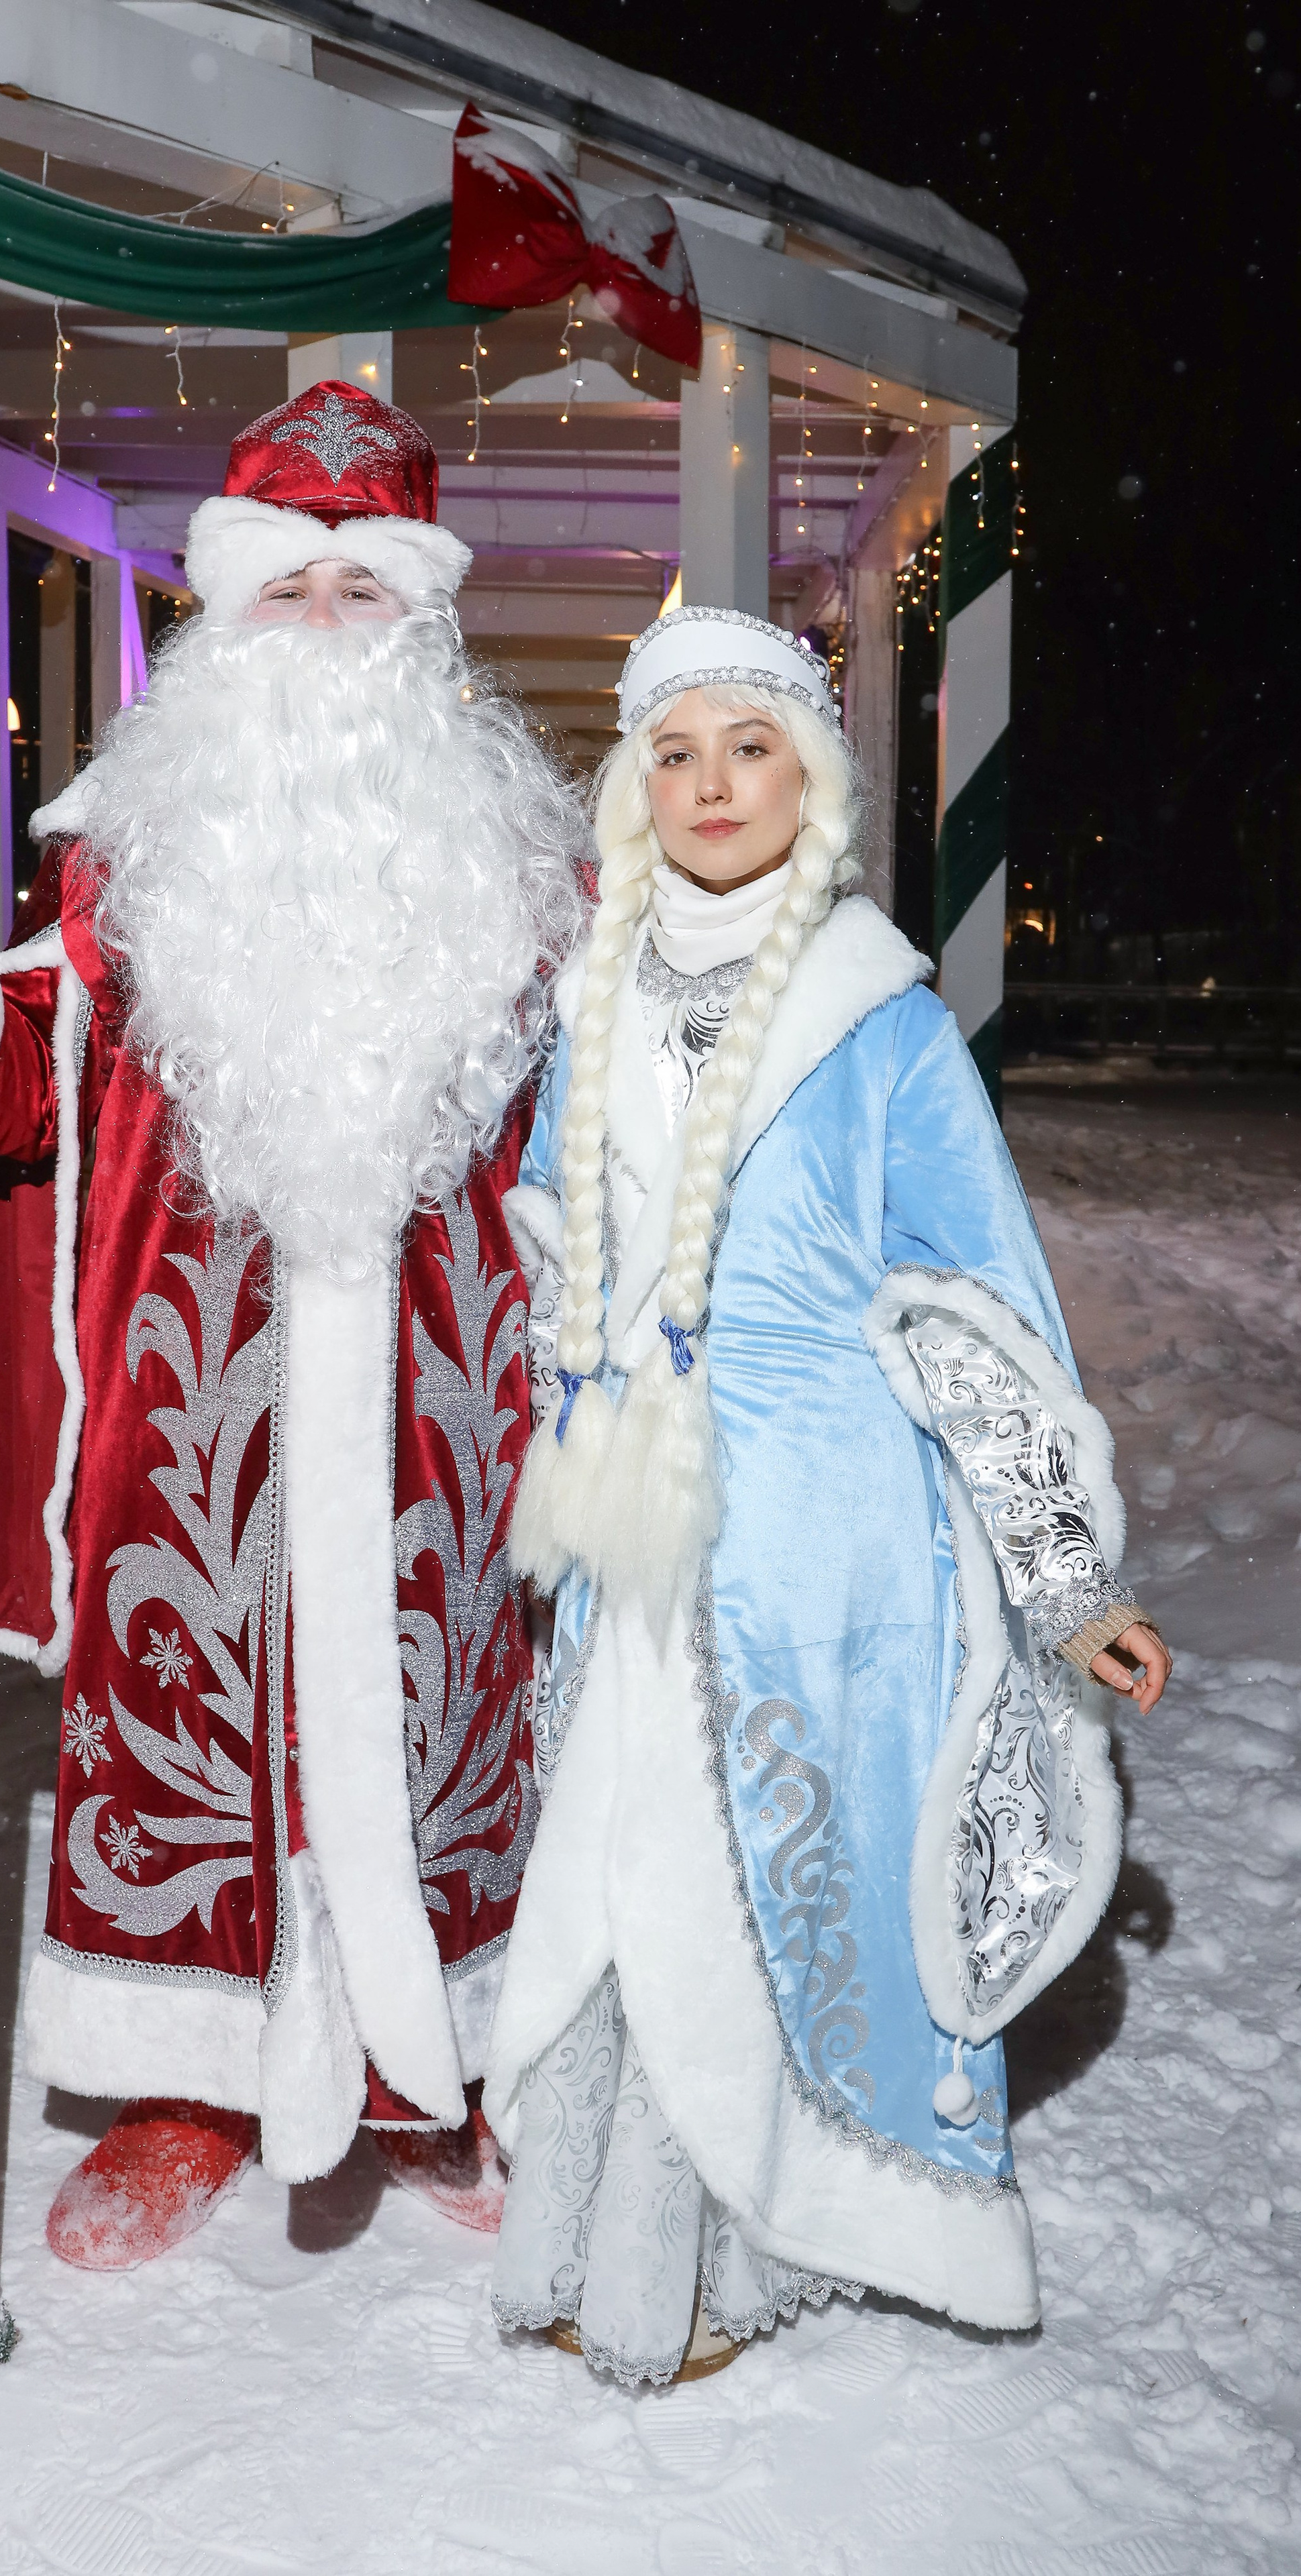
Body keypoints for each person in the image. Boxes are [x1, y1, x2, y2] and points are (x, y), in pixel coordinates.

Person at [0, 382, 584, 2267]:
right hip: (191, 1401)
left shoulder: (533, 874)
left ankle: (431, 2066)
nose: (323, 628)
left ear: (424, 622)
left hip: (447, 1404)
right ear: (224, 618)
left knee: (442, 1716)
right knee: (187, 1721)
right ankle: (187, 2087)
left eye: (363, 593)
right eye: (288, 591)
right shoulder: (127, 856)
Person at [484, 609, 1171, 2386]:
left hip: (818, 1541)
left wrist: (1064, 1578)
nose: (714, 784)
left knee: (759, 1887)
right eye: (678, 751)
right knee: (626, 1875)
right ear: (643, 784)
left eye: (754, 748)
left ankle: (734, 2260)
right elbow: (554, 1247)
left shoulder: (881, 1024)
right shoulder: (593, 991)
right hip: (631, 1538)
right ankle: (591, 2237)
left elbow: (983, 1315)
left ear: (817, 777)